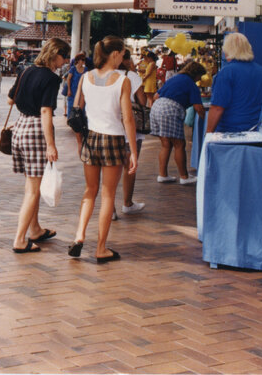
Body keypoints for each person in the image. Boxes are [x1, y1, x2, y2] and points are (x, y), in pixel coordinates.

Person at [69, 36, 138, 263]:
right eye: (122, 54)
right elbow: (128, 118)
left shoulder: (85, 77)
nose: (123, 59)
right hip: (113, 139)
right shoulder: (122, 81)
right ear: (115, 54)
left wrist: (80, 141)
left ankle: (79, 236)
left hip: (91, 138)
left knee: (90, 191)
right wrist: (133, 151)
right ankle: (100, 248)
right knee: (108, 195)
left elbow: (75, 114)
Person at [7, 37, 70, 254]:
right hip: (35, 130)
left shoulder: (26, 70)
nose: (65, 61)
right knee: (33, 191)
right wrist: (51, 145)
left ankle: (35, 229)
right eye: (64, 56)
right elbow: (45, 111)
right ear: (55, 54)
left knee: (31, 184)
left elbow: (10, 99)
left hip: (20, 127)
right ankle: (19, 239)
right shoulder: (51, 79)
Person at [150, 60, 207, 184]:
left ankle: (162, 175)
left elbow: (155, 96)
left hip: (157, 107)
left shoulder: (174, 78)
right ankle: (184, 177)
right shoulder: (191, 84)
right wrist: (207, 121)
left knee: (166, 144)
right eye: (200, 76)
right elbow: (198, 108)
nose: (199, 79)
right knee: (179, 144)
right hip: (170, 110)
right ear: (196, 74)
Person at [206, 32, 262, 134]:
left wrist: (208, 133)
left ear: (228, 50)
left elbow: (217, 108)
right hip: (256, 130)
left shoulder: (227, 72)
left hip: (231, 131)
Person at [117, 50, 148, 216]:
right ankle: (127, 203)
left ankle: (110, 209)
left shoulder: (103, 75)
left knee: (111, 169)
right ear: (127, 60)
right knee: (129, 166)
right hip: (131, 129)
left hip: (110, 128)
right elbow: (142, 100)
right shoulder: (131, 76)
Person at [63, 52, 87, 155]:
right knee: (71, 108)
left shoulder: (86, 70)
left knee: (82, 109)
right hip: (73, 91)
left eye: (84, 60)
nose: (83, 62)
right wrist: (68, 90)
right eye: (82, 60)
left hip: (82, 92)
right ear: (78, 60)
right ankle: (72, 123)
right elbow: (68, 79)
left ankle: (80, 123)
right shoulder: (73, 69)